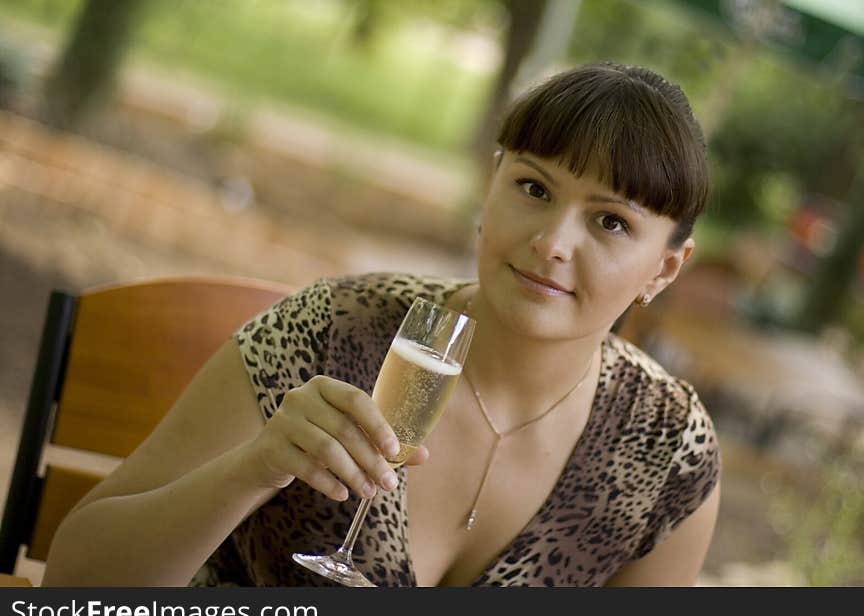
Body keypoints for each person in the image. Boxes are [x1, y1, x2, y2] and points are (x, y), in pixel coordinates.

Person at [42, 62, 721, 587]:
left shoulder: (668, 453)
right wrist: (252, 469)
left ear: (666, 267)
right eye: (534, 188)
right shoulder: (328, 333)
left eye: (610, 221)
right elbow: (75, 585)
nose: (552, 242)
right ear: (491, 186)